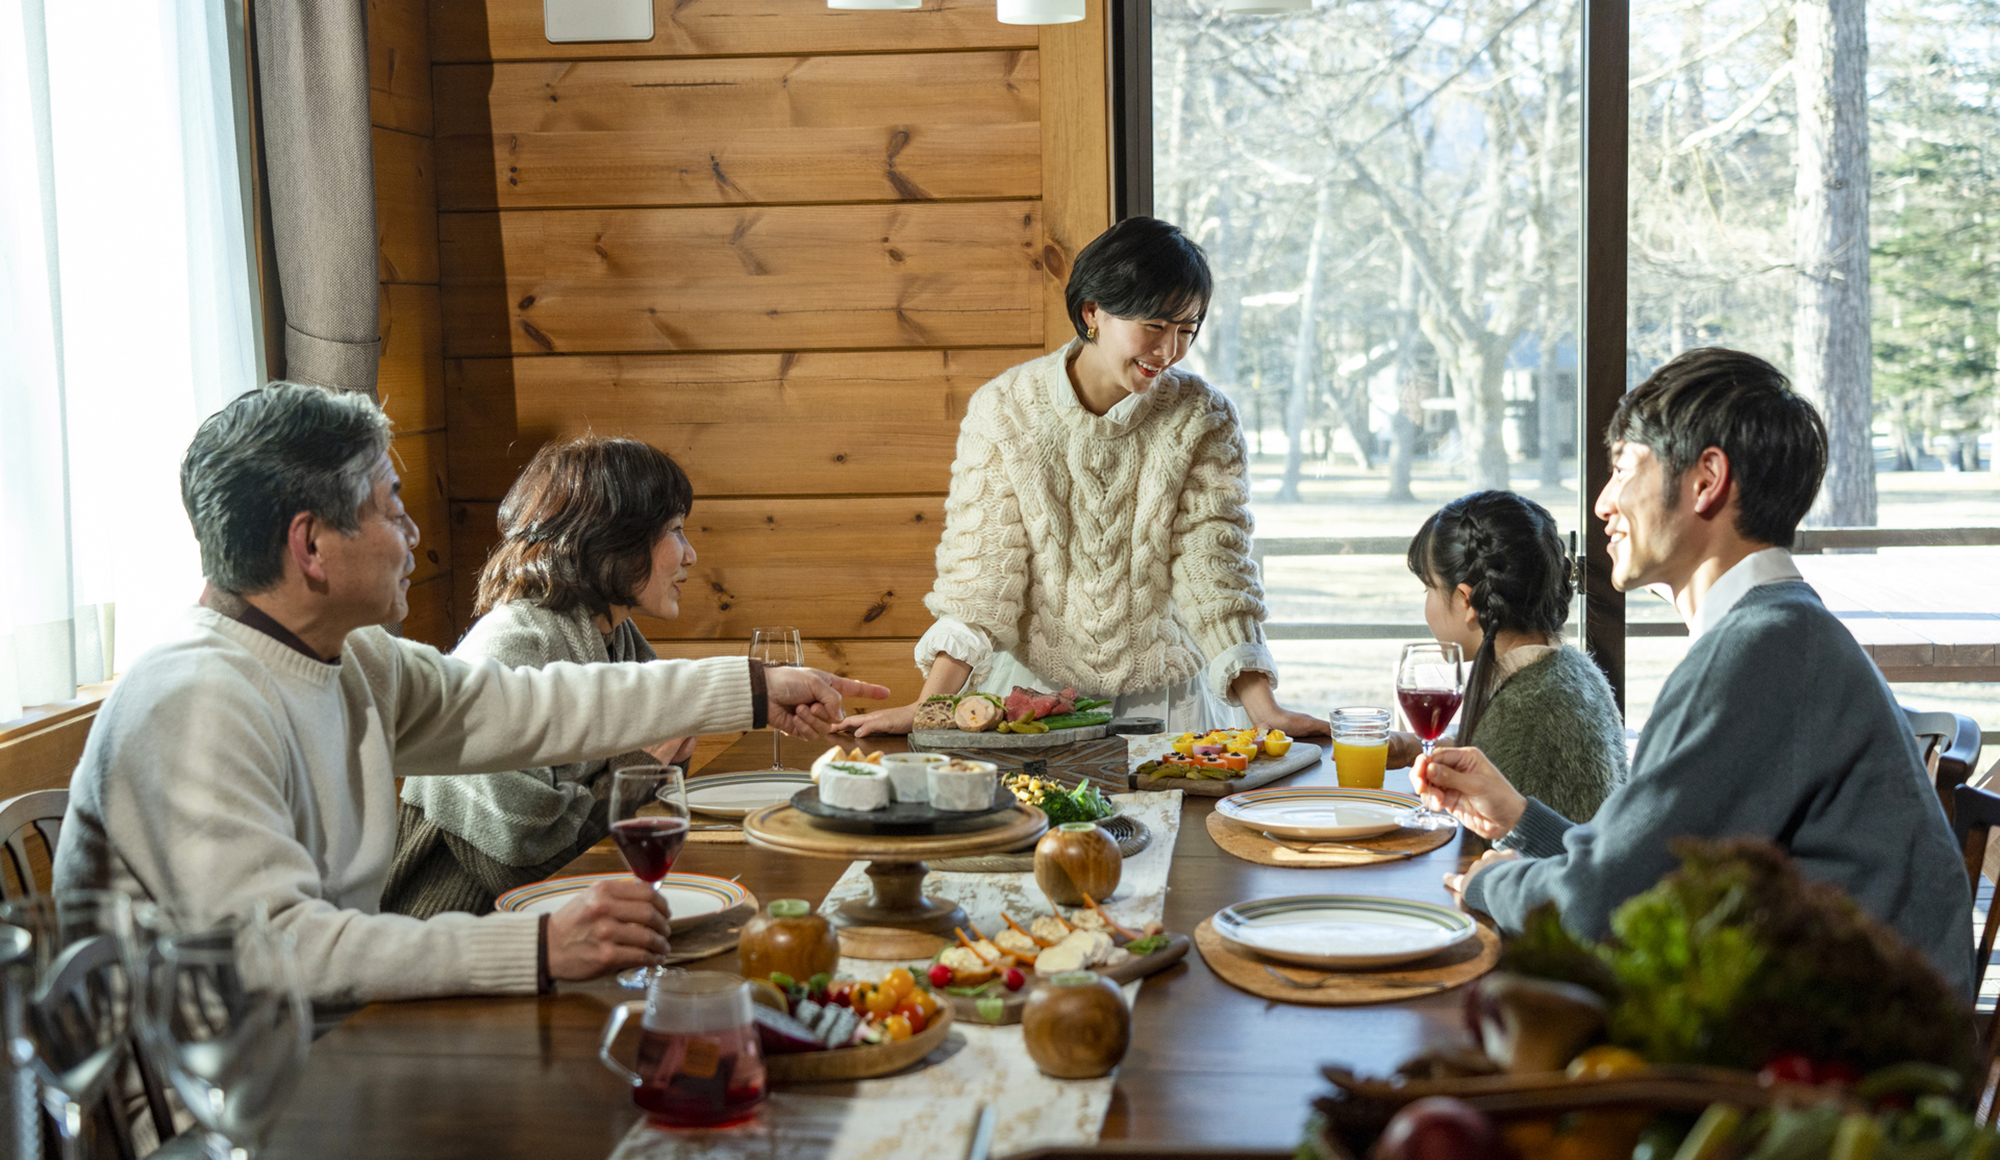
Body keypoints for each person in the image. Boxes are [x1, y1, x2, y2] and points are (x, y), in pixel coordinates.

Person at [54, 383, 887, 1012]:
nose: (413, 535)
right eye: (392, 509)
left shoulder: (353, 658)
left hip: (337, 1035)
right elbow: (278, 950)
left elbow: (522, 707)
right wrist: (532, 945)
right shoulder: (195, 698)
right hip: (230, 1102)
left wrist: (750, 688)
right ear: (311, 545)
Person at [1413, 349, 1972, 995]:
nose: (1602, 503)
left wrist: (1488, 882)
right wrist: (1520, 820)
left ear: (1706, 479)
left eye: (1623, 468)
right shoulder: (1781, 630)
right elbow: (1653, 869)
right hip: (1834, 1022)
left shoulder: (1760, 650)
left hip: (1837, 1067)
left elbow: (1606, 907)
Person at [838, 217, 1320, 738]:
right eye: (1154, 326)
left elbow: (1215, 572)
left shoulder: (1202, 416)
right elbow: (981, 583)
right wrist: (930, 708)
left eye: (1187, 329)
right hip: (1031, 702)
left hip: (1170, 706)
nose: (1170, 350)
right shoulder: (1005, 410)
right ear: (1093, 311)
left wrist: (1265, 711)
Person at [385, 437, 701, 919]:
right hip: (459, 937)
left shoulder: (619, 639)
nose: (690, 554)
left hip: (558, 921)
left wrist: (652, 763)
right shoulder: (512, 644)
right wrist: (640, 764)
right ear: (613, 539)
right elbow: (521, 863)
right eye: (675, 530)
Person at [1403, 490, 1626, 829]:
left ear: (1467, 602)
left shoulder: (1523, 711)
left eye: (1429, 590)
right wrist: (1418, 748)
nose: (1427, 608)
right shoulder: (1574, 671)